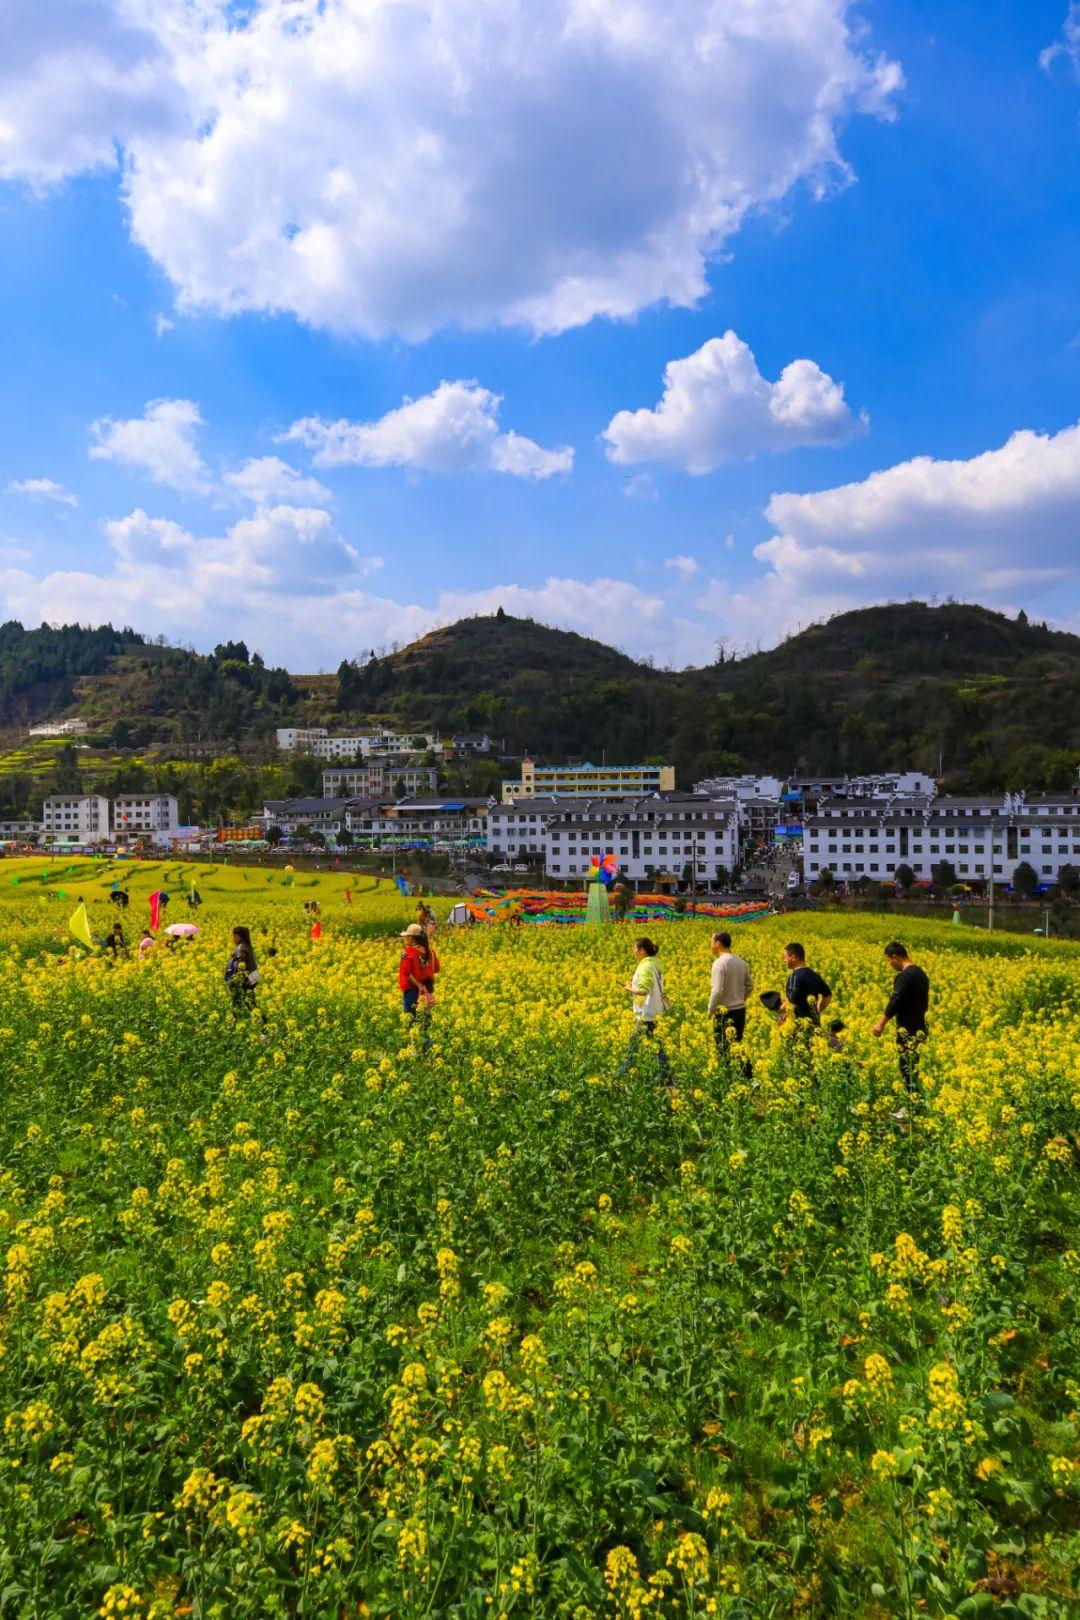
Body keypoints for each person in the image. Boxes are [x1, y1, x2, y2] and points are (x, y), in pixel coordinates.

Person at [873, 942, 930, 1103]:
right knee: (914, 1066)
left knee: (907, 1067)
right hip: (920, 1026)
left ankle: (911, 1107)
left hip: (908, 1027)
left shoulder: (905, 976)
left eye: (889, 961)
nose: (889, 964)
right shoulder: (921, 973)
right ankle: (916, 1103)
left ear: (895, 957)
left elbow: (895, 1000)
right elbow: (925, 1003)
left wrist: (881, 1023)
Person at [619, 937, 671, 1083]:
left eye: (635, 949)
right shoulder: (655, 964)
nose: (633, 952)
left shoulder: (645, 967)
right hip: (654, 1011)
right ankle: (666, 1079)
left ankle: (621, 1076)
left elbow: (643, 990)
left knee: (636, 1048)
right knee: (655, 1048)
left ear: (642, 951)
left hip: (647, 1013)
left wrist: (629, 988)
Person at [708, 931, 753, 1077]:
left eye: (712, 940)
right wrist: (740, 998)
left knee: (723, 1047)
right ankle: (750, 1079)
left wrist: (711, 1009)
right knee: (737, 1045)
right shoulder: (740, 961)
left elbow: (717, 991)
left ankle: (727, 1080)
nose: (710, 943)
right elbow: (750, 985)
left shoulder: (719, 963)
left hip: (724, 1012)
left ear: (718, 943)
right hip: (740, 1010)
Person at [399, 923, 439, 1028]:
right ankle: (427, 1043)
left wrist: (418, 985)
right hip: (428, 991)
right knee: (425, 1022)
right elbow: (436, 969)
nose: (405, 938)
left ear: (411, 938)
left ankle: (420, 1043)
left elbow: (406, 972)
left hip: (413, 991)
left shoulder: (407, 952)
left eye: (407, 936)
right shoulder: (430, 952)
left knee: (413, 1023)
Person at [783, 942, 832, 1026]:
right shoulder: (814, 975)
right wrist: (816, 1012)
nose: (784, 960)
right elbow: (828, 996)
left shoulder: (794, 977)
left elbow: (792, 1001)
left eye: (785, 957)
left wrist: (780, 1010)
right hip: (815, 1026)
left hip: (798, 1027)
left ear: (793, 957)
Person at [225, 925, 260, 1018]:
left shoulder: (241, 948)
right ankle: (260, 1021)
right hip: (252, 978)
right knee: (250, 1003)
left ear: (238, 936)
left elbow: (241, 965)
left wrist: (235, 980)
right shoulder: (247, 945)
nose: (233, 938)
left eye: (233, 935)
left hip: (244, 980)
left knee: (238, 1005)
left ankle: (239, 1023)